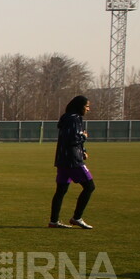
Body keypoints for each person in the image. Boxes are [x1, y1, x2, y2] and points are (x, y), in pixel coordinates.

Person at [49, 95, 95, 229]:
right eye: (87, 106)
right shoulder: (75, 119)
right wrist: (84, 137)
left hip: (63, 160)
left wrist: (83, 150)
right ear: (79, 106)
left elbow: (70, 139)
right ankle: (77, 218)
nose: (88, 109)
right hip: (73, 161)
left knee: (61, 190)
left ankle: (54, 221)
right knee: (90, 187)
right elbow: (73, 139)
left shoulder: (67, 118)